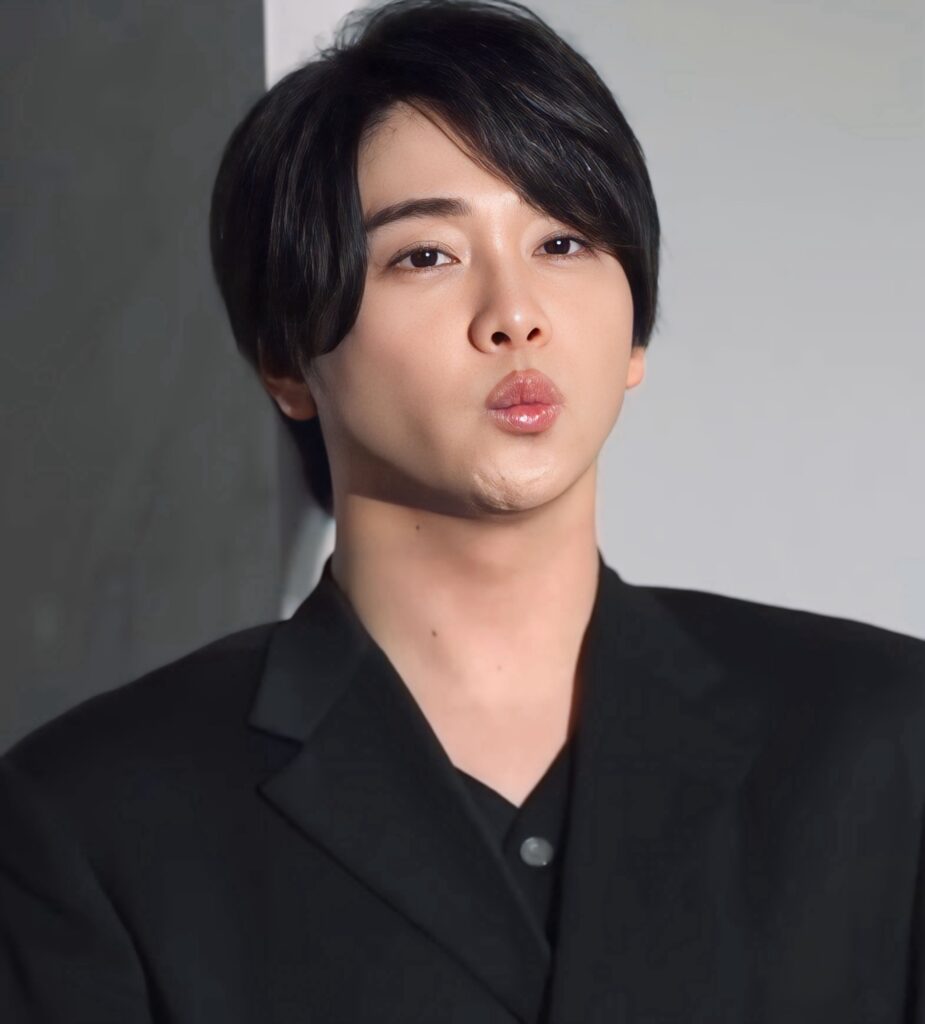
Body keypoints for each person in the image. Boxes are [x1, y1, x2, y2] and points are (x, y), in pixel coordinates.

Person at [1, 0, 923, 1020]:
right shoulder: (95, 820)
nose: (514, 314)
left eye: (562, 242)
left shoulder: (881, 741)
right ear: (286, 358)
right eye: (425, 256)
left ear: (633, 336)